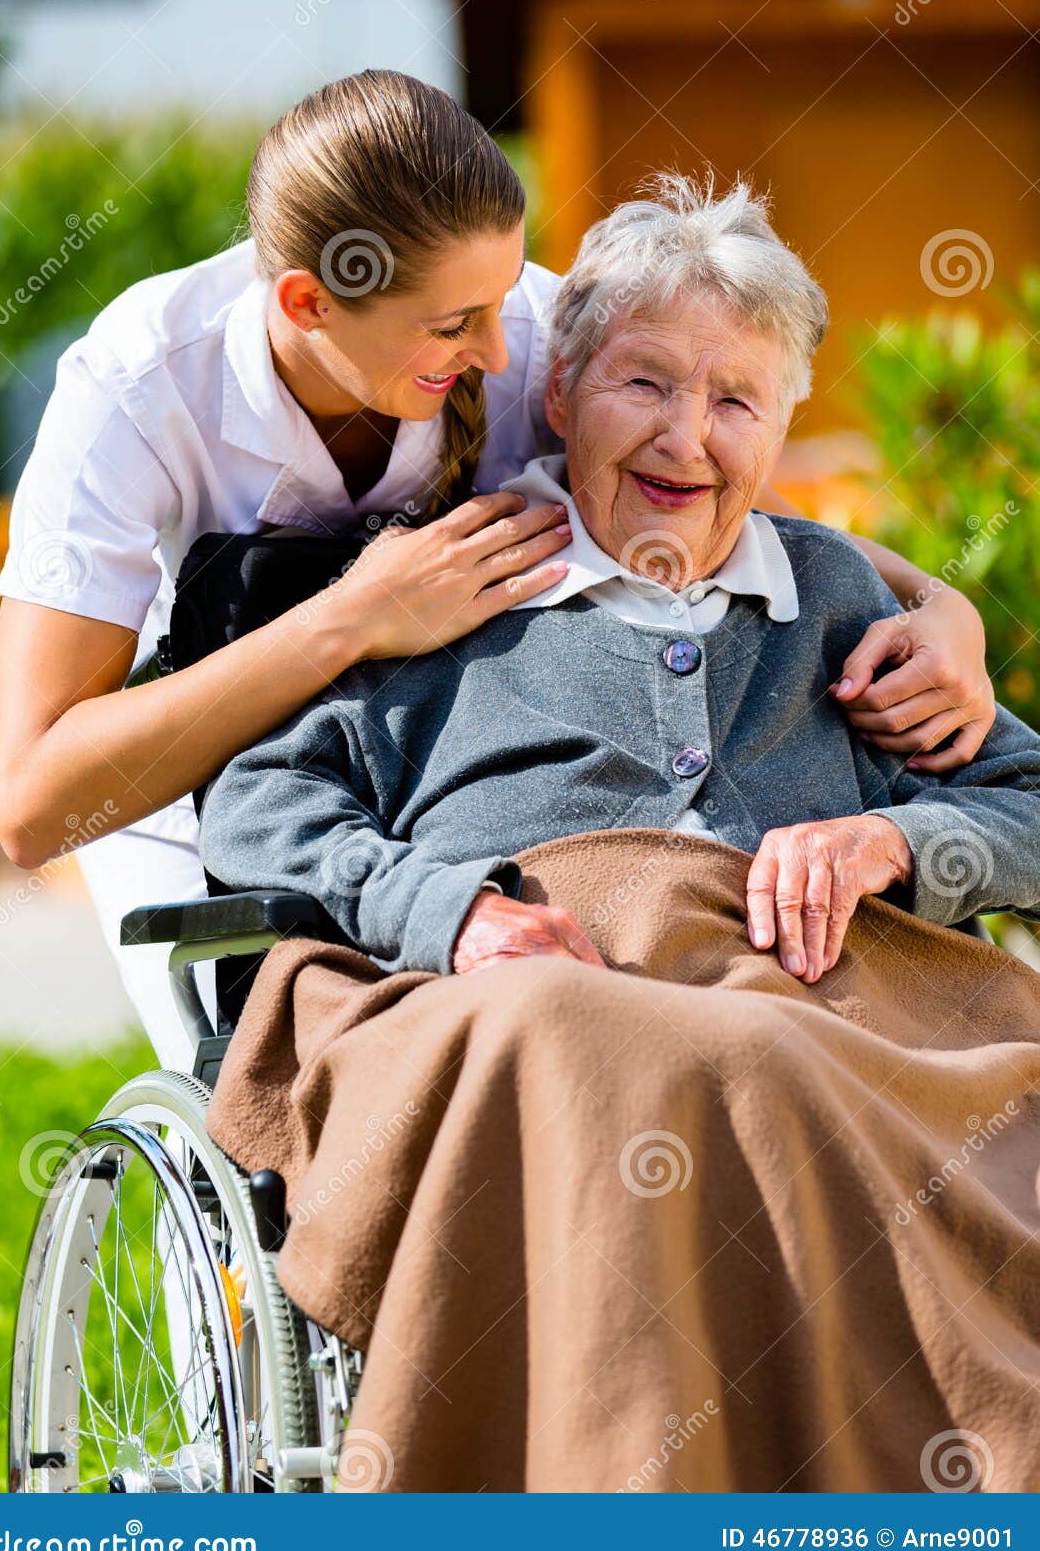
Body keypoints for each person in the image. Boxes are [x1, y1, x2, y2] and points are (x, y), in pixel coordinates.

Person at [0, 73, 995, 1067]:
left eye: (501, 300)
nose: (501, 354)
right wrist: (351, 619)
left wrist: (935, 603)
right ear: (307, 303)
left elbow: (716, 497)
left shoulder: (519, 329)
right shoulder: (141, 387)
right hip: (198, 768)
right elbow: (32, 805)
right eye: (451, 329)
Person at [200, 175, 1040, 978]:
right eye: (645, 382)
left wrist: (893, 843)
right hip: (557, 1047)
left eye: (736, 403)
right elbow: (261, 800)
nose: (685, 439)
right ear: (560, 393)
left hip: (856, 1054)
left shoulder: (832, 601)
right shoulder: (452, 586)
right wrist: (443, 911)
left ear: (781, 430)